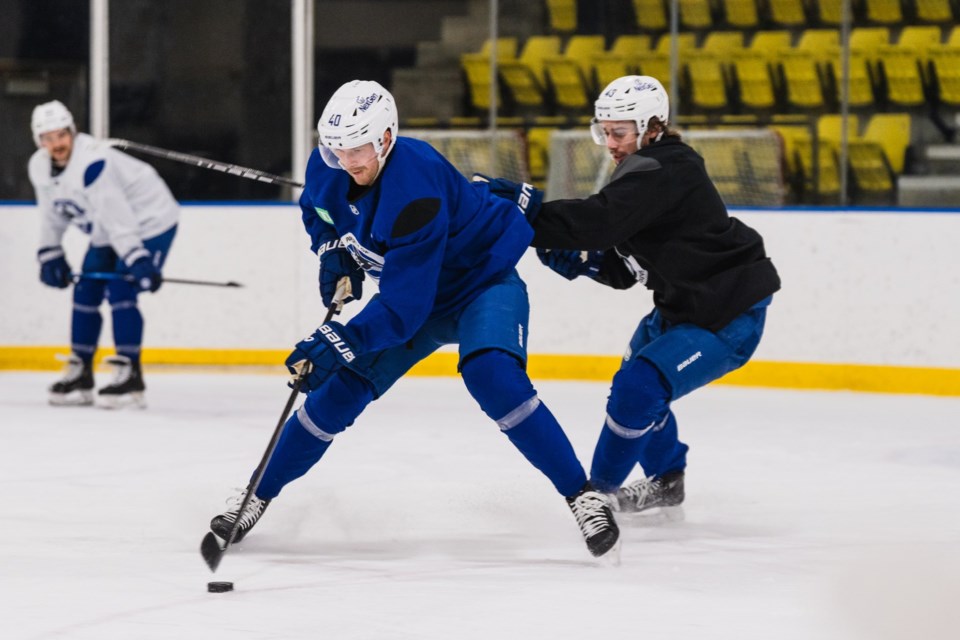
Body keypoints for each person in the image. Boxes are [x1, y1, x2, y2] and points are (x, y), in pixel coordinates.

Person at [208, 80, 619, 558]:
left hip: (479, 283)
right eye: (336, 149)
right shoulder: (329, 162)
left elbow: (405, 310)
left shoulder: (414, 187)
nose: (346, 161)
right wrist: (331, 250)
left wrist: (340, 340)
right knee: (338, 393)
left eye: (357, 149)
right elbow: (318, 210)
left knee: (494, 377)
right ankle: (257, 493)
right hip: (414, 292)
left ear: (385, 138)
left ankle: (581, 494)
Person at [477, 75, 781, 515]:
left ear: (652, 127)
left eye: (618, 133)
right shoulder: (644, 171)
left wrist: (526, 210)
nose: (610, 143)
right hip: (680, 308)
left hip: (727, 312)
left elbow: (600, 222)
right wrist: (584, 263)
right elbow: (625, 268)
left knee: (638, 389)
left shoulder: (667, 166)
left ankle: (595, 496)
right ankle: (667, 480)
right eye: (604, 132)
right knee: (636, 389)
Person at [28, 100, 179, 409]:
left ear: (72, 132)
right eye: (48, 138)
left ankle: (129, 373)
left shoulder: (93, 163)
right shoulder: (38, 166)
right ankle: (81, 370)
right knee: (86, 287)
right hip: (107, 225)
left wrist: (137, 259)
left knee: (121, 285)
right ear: (39, 141)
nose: (56, 144)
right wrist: (50, 252)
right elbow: (52, 212)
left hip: (151, 220)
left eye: (61, 135)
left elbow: (118, 215)